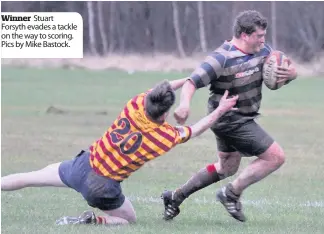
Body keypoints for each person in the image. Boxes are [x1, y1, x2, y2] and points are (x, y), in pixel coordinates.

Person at [1, 78, 238, 226]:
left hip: (84, 164)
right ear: (165, 114)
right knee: (127, 220)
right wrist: (220, 109)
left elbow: (162, 87)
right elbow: (195, 130)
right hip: (102, 187)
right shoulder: (164, 137)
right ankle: (93, 220)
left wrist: (188, 79)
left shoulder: (135, 103)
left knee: (31, 176)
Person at [161, 10, 298, 222]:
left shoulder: (264, 52)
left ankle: (175, 197)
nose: (263, 40)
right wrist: (184, 105)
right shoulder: (221, 58)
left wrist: (292, 74)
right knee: (275, 157)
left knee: (226, 167)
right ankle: (231, 194)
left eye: (264, 35)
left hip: (239, 117)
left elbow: (282, 72)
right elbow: (191, 82)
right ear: (244, 34)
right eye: (259, 36)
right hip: (230, 118)